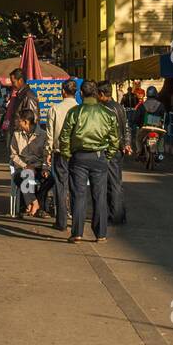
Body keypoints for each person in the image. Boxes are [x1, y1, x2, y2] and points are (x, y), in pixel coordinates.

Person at [59, 80, 121, 244]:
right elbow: (115, 139)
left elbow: (64, 137)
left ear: (81, 93)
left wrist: (67, 155)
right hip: (99, 157)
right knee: (99, 196)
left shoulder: (75, 112)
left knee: (79, 195)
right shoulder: (107, 113)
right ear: (95, 93)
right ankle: (101, 234)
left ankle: (77, 233)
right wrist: (107, 156)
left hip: (78, 157)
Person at [44, 79, 78, 231]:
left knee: (61, 186)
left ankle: (61, 221)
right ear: (75, 92)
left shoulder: (55, 108)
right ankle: (76, 220)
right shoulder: (80, 108)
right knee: (77, 186)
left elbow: (50, 134)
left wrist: (48, 152)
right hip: (77, 153)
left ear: (63, 91)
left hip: (59, 153)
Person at [97, 82, 131, 225]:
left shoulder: (104, 110)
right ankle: (119, 214)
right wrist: (127, 144)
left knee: (111, 184)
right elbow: (126, 128)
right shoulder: (119, 107)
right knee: (116, 182)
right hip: (118, 150)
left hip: (109, 150)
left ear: (102, 94)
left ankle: (115, 215)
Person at [9, 110, 49, 218]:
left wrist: (45, 168)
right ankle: (34, 203)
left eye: (19, 120)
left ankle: (36, 205)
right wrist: (25, 166)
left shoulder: (43, 135)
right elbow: (13, 155)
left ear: (26, 122)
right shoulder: (16, 135)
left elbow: (47, 154)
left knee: (52, 178)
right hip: (23, 167)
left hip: (39, 166)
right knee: (26, 175)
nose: (17, 122)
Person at [1, 68, 40, 139]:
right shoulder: (20, 95)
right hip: (16, 133)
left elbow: (33, 120)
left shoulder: (29, 96)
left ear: (21, 80)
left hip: (23, 137)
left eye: (13, 82)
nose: (12, 85)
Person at [139, 84, 166, 161]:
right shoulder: (161, 105)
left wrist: (137, 123)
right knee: (161, 138)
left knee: (138, 138)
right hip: (158, 128)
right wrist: (165, 124)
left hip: (145, 128)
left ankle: (140, 152)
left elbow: (137, 117)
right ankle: (160, 153)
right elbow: (165, 116)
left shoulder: (142, 105)